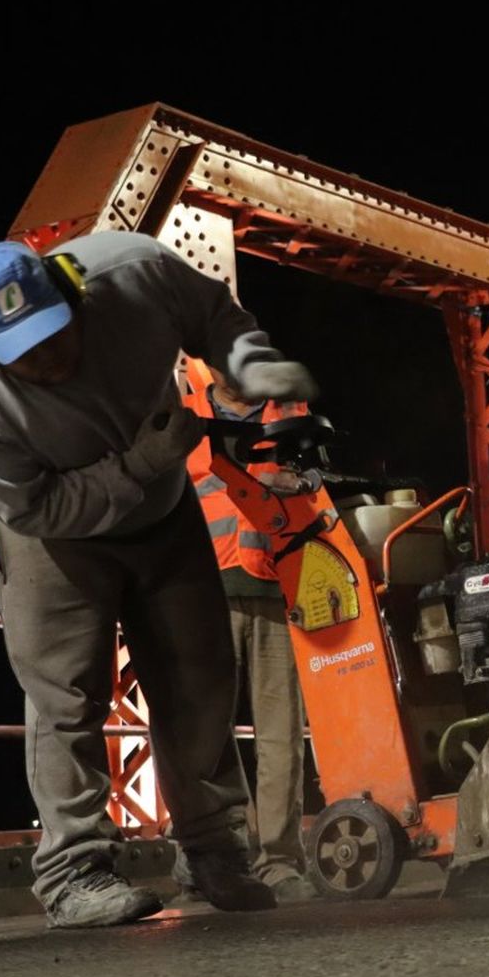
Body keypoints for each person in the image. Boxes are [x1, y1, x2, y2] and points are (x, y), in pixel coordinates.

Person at [0, 230, 316, 928]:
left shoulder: (136, 271)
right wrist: (139, 463)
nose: (51, 359)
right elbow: (35, 505)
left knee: (199, 681)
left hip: (164, 514)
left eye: (55, 331)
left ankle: (210, 851)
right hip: (56, 533)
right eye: (25, 354)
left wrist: (250, 363)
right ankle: (74, 872)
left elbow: (215, 318)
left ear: (73, 290)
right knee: (65, 696)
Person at [184, 363, 316, 902]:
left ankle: (279, 862)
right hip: (198, 591)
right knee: (197, 737)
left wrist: (301, 480)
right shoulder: (183, 413)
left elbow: (320, 476)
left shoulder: (291, 412)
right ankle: (202, 860)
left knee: (282, 733)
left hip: (277, 586)